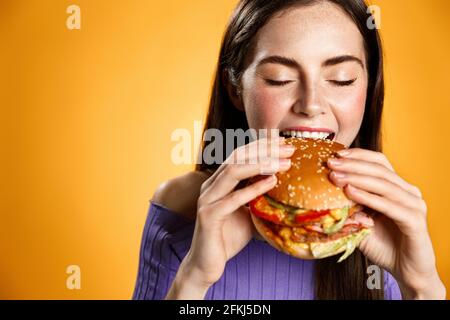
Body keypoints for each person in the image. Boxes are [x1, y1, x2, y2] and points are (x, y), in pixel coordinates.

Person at [133, 0, 446, 300]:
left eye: (341, 79)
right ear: (236, 90)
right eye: (279, 79)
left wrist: (423, 289)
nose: (311, 105)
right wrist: (194, 278)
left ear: (368, 86)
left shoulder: (386, 217)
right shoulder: (183, 207)